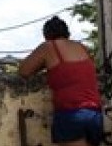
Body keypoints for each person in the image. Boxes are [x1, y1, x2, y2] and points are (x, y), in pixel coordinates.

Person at [19, 16, 103, 146]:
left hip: (71, 114)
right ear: (67, 33)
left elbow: (24, 70)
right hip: (94, 114)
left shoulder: (48, 47)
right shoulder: (82, 47)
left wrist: (44, 64)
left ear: (46, 35)